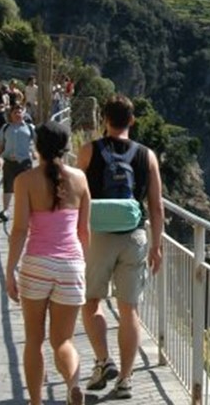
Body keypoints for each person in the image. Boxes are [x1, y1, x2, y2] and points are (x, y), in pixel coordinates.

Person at [76, 95, 164, 399]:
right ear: (132, 120)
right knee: (130, 311)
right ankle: (125, 380)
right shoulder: (147, 156)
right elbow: (156, 206)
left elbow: (77, 197)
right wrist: (157, 246)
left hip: (97, 236)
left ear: (104, 119)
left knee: (92, 302)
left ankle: (103, 361)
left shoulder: (88, 151)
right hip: (134, 237)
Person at [5, 121, 91, 405]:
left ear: (37, 146)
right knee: (63, 341)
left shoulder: (25, 181)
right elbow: (83, 232)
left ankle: (35, 403)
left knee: (34, 340)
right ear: (66, 147)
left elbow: (19, 230)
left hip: (37, 265)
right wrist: (84, 269)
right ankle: (73, 384)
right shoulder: (79, 179)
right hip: (71, 265)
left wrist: (9, 272)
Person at [0, 103, 36, 222]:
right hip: (9, 161)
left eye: (20, 112)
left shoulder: (30, 128)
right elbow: (0, 144)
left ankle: (27, 211)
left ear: (24, 113)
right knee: (8, 187)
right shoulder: (5, 128)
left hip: (25, 162)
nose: (18, 114)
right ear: (11, 114)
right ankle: (5, 210)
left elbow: (37, 142)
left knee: (26, 187)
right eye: (15, 112)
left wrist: (35, 153)